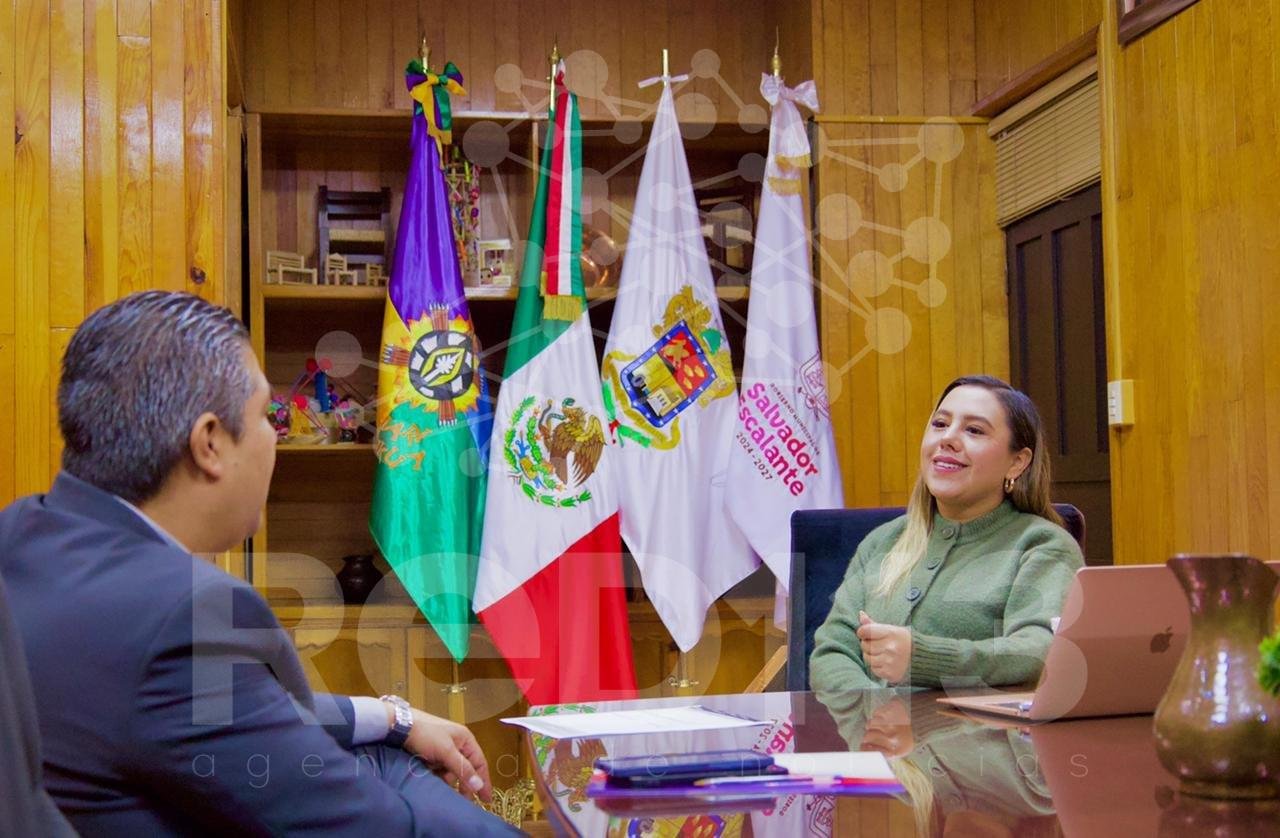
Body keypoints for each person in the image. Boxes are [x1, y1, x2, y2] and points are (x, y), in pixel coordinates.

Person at [0, 291, 519, 836]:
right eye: (267, 416)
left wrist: (393, 718)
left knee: (386, 754)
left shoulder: (20, 534)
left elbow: (208, 713)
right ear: (210, 444)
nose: (274, 435)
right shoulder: (180, 617)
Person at [810, 375, 1083, 692]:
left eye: (974, 430)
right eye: (940, 424)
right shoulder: (882, 541)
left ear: (1017, 463)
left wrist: (925, 658)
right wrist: (873, 709)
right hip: (872, 723)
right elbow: (832, 652)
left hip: (982, 725)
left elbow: (1040, 652)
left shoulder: (1042, 545)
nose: (948, 439)